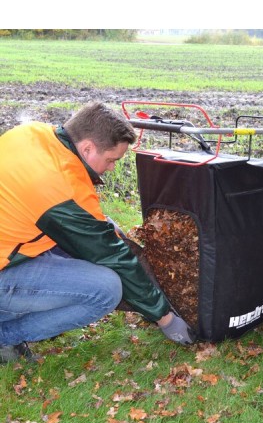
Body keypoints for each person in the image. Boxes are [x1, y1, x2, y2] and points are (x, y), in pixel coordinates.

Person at [0, 102, 196, 363]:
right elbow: (114, 257)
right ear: (88, 148)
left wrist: (102, 223)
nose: (113, 167)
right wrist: (166, 318)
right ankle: (6, 335)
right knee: (105, 289)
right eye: (111, 160)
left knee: (102, 228)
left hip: (12, 242)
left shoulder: (32, 133)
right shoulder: (56, 188)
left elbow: (48, 203)